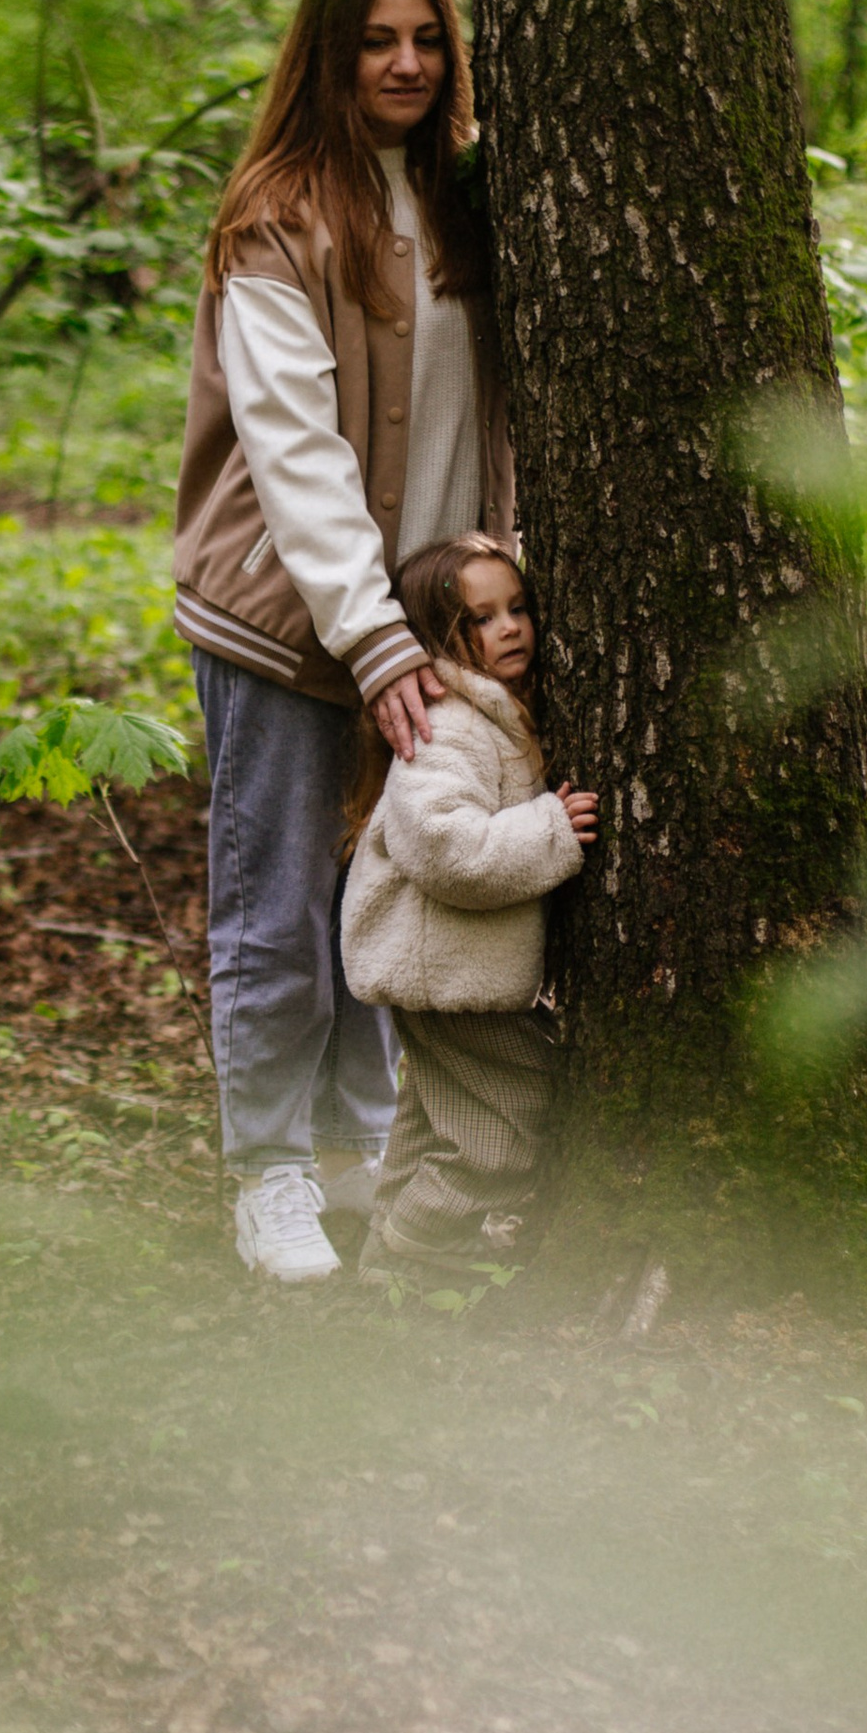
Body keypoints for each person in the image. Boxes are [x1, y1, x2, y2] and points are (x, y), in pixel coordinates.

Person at [173, 0, 511, 1283]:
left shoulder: (470, 202)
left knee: (389, 900)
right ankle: (267, 1174)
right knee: (276, 917)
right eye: (378, 39)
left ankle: (366, 1147)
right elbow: (293, 448)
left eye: (427, 38)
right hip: (286, 622)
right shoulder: (278, 217)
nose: (407, 63)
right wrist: (370, 641)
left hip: (410, 628)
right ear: (329, 50)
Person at [340, 534, 598, 1279]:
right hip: (446, 975)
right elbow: (445, 850)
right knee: (516, 1118)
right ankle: (422, 1251)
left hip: (449, 971)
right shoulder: (447, 724)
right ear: (438, 639)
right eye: (481, 619)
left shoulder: (491, 711)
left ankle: (385, 1262)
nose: (510, 627)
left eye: (518, 608)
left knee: (435, 1122)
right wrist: (552, 828)